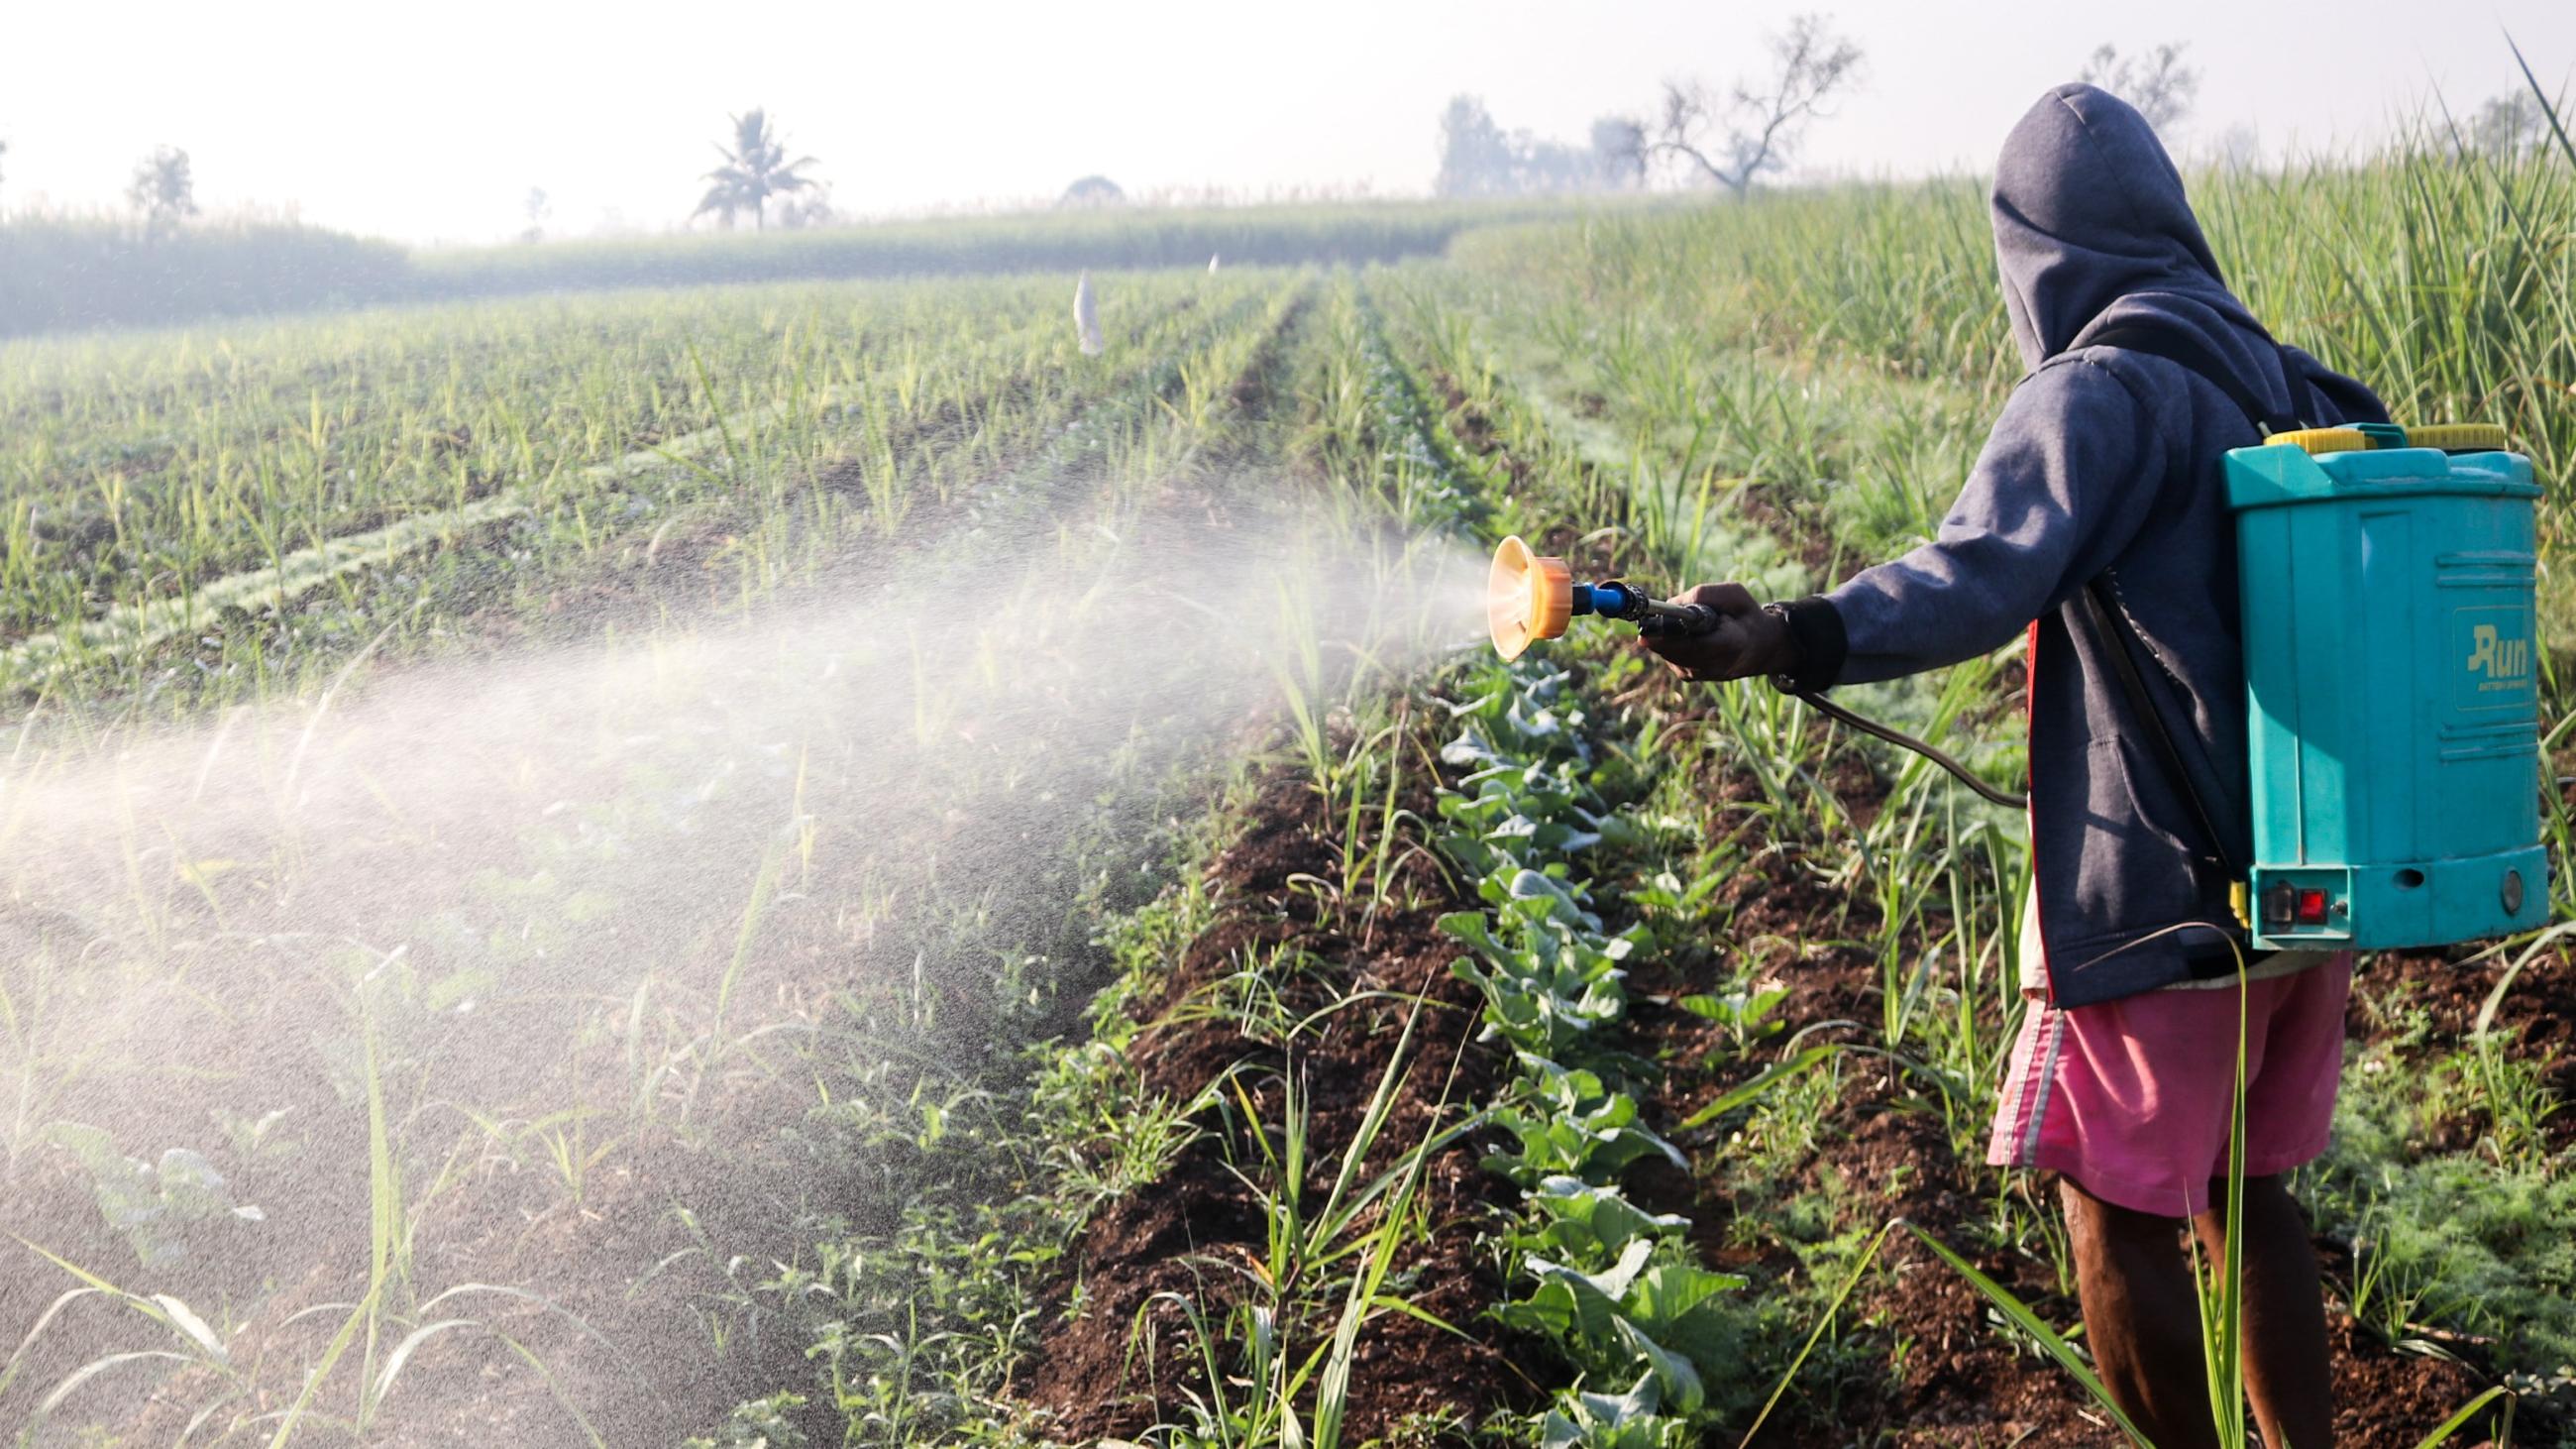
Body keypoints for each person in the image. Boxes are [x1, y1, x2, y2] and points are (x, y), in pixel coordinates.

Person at [1645, 84, 2386, 1449]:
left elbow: (1975, 574)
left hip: (2162, 893)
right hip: (2302, 874)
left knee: (2107, 1202)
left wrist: (1791, 632)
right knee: (2247, 1185)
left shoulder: (2098, 390)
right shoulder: (2285, 378)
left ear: (2033, 250)